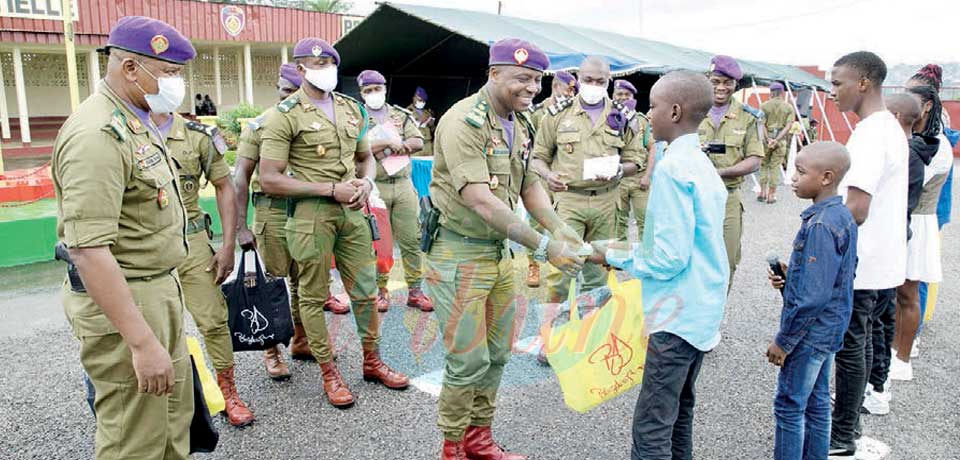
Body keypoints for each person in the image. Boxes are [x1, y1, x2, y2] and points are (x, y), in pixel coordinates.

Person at [427, 38, 585, 460]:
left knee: (496, 354)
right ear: (494, 73)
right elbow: (480, 198)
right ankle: (453, 446)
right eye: (522, 78)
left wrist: (561, 228)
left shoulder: (523, 121)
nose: (531, 87)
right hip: (458, 254)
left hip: (499, 254)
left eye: (536, 80)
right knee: (467, 358)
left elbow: (528, 184)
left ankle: (479, 438)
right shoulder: (464, 122)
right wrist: (543, 245)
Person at [52, 16, 195, 458]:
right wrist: (141, 342)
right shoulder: (97, 134)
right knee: (135, 440)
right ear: (131, 69)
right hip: (127, 300)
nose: (177, 82)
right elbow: (89, 251)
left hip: (157, 291)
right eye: (169, 72)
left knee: (171, 427)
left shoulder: (136, 119)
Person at [258, 37, 409, 408]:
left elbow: (365, 157)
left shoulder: (350, 109)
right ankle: (329, 372)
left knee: (365, 289)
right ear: (299, 70)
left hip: (353, 212)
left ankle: (372, 361)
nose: (324, 71)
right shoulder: (285, 114)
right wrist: (329, 189)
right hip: (311, 216)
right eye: (315, 65)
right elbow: (269, 179)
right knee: (311, 294)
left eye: (329, 65)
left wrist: (367, 181)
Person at [587, 70, 728, 460]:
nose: (648, 115)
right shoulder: (698, 163)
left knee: (651, 425)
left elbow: (668, 258)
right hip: (699, 311)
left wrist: (612, 255)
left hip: (676, 315)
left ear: (676, 111)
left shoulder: (671, 169)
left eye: (653, 107)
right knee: (679, 412)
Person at [235, 63, 344, 380]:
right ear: (279, 88)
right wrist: (241, 226)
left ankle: (301, 341)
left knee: (305, 282)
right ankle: (271, 351)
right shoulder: (261, 125)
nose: (292, 96)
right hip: (274, 211)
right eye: (286, 89)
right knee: (270, 283)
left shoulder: (321, 121)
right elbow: (240, 177)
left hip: (310, 209)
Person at [149, 108, 255, 426]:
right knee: (153, 326)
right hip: (143, 246)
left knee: (213, 320)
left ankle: (228, 391)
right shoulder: (121, 131)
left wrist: (226, 245)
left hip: (191, 243)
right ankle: (159, 400)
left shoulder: (197, 136)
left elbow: (224, 186)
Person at [827, 51, 907, 459]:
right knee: (861, 342)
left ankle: (841, 438)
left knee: (851, 346)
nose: (831, 91)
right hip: (880, 259)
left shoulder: (873, 133)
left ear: (863, 83)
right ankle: (850, 430)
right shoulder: (885, 127)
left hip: (862, 260)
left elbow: (855, 208)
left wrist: (819, 245)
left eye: (837, 82)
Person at [766, 141, 857, 460]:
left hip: (809, 335)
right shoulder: (841, 215)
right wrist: (794, 277)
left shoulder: (819, 224)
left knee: (789, 406)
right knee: (817, 403)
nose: (792, 177)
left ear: (826, 177)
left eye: (800, 172)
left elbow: (814, 297)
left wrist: (783, 341)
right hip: (829, 330)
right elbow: (835, 276)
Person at [531, 55, 642, 305]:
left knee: (598, 275)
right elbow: (538, 157)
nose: (593, 84)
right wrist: (549, 176)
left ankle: (592, 333)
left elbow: (636, 159)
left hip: (606, 202)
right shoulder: (558, 114)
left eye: (600, 80)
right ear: (578, 79)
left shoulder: (623, 115)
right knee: (561, 273)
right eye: (587, 79)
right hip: (569, 200)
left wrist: (620, 170)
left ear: (609, 81)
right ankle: (553, 333)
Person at [860, 94, 929, 415]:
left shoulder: (906, 152)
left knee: (877, 320)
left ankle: (876, 385)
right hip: (893, 240)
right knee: (882, 317)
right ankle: (877, 383)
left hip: (888, 241)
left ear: (897, 114)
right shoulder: (908, 150)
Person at [356, 69, 434, 312]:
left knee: (412, 240)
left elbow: (418, 142)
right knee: (379, 243)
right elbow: (356, 148)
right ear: (361, 94)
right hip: (374, 188)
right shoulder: (356, 117)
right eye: (368, 91)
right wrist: (388, 142)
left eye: (376, 89)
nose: (373, 94)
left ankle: (415, 290)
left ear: (384, 89)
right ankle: (381, 290)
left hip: (402, 185)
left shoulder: (400, 115)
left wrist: (388, 149)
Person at [890, 85, 952, 382]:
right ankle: (892, 351)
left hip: (919, 221)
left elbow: (909, 182)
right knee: (895, 293)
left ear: (926, 107)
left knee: (908, 293)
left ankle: (902, 358)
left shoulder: (937, 144)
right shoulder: (909, 139)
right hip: (902, 219)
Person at [698, 55, 764, 289]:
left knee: (726, 259)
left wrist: (720, 173)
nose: (721, 87)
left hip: (728, 197)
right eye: (716, 81)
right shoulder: (693, 110)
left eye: (728, 83)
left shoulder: (749, 116)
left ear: (736, 84)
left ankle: (714, 318)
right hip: (693, 196)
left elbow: (755, 159)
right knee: (690, 258)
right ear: (708, 79)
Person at [524, 70, 577, 288]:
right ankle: (534, 265)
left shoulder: (574, 111)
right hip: (541, 176)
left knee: (563, 222)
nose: (572, 93)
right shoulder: (536, 113)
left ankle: (563, 264)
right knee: (537, 224)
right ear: (556, 87)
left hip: (564, 176)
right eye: (569, 88)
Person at [614, 93, 657, 242]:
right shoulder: (608, 117)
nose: (623, 97)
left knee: (645, 220)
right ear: (613, 95)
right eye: (620, 94)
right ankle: (618, 261)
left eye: (627, 95)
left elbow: (652, 148)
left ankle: (646, 258)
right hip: (618, 179)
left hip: (640, 179)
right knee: (618, 221)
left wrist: (647, 176)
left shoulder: (641, 120)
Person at [759, 82, 795, 204]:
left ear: (771, 92)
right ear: (782, 92)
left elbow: (762, 124)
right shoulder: (788, 107)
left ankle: (762, 192)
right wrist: (777, 139)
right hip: (781, 141)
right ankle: (771, 195)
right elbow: (788, 126)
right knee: (775, 167)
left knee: (764, 165)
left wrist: (768, 139)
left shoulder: (764, 106)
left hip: (766, 140)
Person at [409, 86, 435, 156]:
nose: (422, 103)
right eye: (420, 100)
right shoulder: (407, 111)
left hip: (427, 144)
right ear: (414, 98)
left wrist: (431, 125)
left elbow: (433, 130)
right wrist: (420, 121)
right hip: (415, 143)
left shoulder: (427, 113)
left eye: (423, 101)